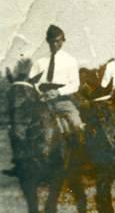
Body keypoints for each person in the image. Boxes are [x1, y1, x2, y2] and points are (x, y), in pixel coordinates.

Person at [3, 24, 84, 177]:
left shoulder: (70, 61)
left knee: (77, 125)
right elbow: (32, 83)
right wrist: (41, 93)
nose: (55, 44)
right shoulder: (40, 62)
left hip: (63, 101)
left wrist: (57, 92)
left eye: (58, 41)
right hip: (42, 101)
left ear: (63, 41)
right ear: (47, 41)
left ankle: (78, 163)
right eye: (52, 41)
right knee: (20, 127)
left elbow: (75, 85)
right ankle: (20, 163)